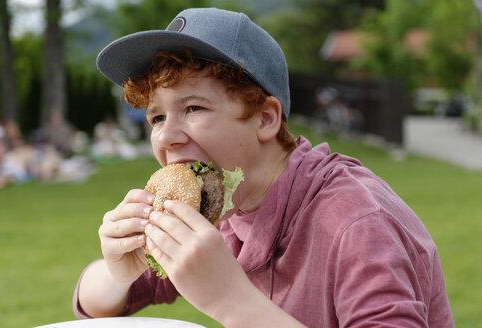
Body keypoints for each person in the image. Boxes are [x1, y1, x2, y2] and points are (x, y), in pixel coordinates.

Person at [73, 8, 454, 327]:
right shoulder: (219, 208)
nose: (165, 137)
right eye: (156, 117)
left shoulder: (356, 220)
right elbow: (95, 306)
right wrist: (118, 273)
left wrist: (230, 300)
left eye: (193, 108)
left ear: (265, 119)